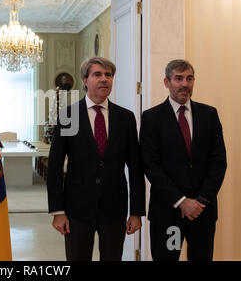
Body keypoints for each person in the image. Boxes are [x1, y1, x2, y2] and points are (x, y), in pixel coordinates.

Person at [46, 57, 146, 261]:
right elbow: (55, 166)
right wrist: (58, 210)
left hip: (114, 208)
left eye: (108, 75)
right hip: (77, 209)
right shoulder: (68, 116)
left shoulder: (125, 118)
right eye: (97, 74)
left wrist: (136, 212)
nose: (104, 79)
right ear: (85, 80)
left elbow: (135, 167)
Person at [139, 59, 227, 261]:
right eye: (178, 78)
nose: (184, 84)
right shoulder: (152, 118)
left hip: (202, 213)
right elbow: (151, 165)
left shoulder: (209, 115)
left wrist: (200, 201)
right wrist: (181, 201)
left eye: (189, 78)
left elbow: (219, 162)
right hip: (167, 213)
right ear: (166, 82)